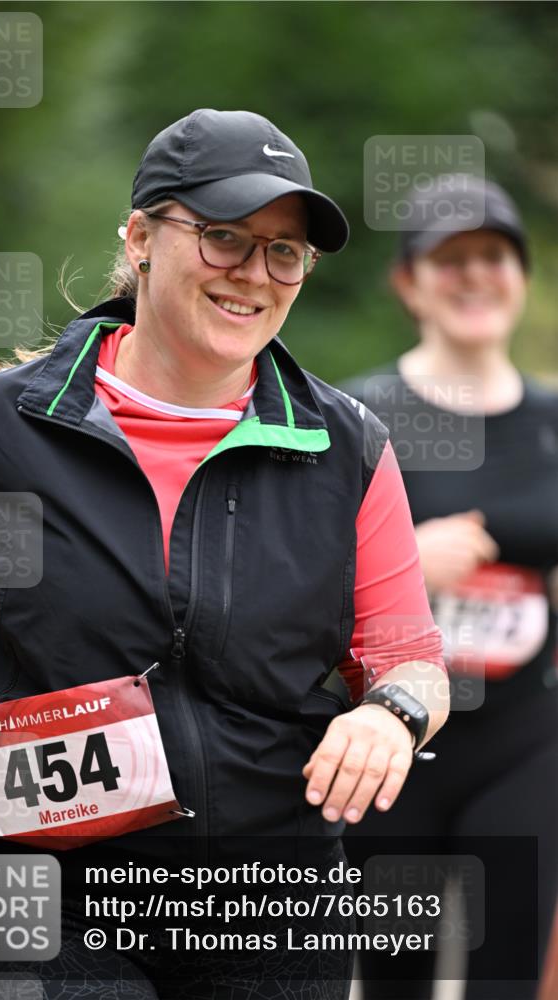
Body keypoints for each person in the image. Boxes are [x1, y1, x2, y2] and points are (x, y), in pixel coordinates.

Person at [0, 109, 448, 999]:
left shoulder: (345, 449)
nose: (254, 275)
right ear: (141, 237)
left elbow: (409, 659)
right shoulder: (0, 427)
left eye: (284, 252)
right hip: (41, 884)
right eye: (224, 238)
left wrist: (391, 715)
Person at [341, 177, 558, 1000]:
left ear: (520, 275)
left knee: (508, 977)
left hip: (526, 742)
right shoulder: (359, 416)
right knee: (398, 982)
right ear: (407, 282)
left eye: (493, 255)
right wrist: (401, 557)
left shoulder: (549, 421)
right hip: (396, 747)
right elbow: (286, 581)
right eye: (450, 257)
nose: (474, 275)